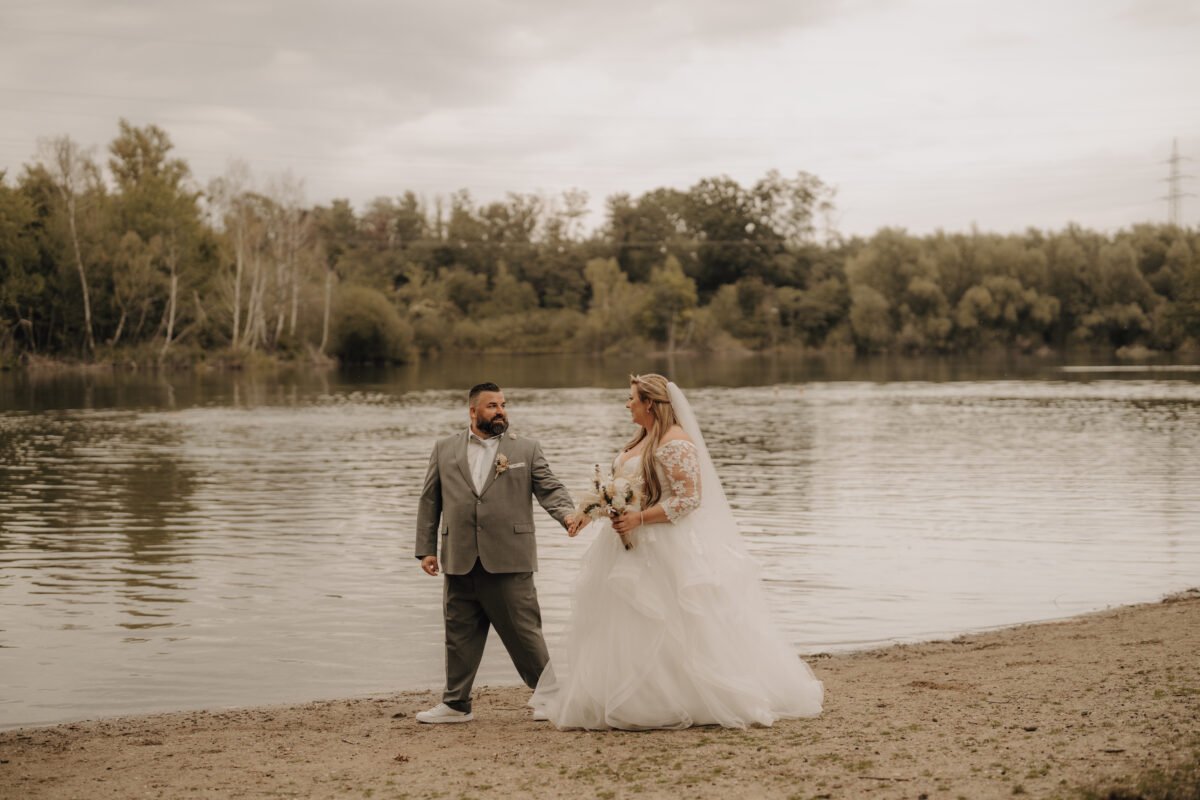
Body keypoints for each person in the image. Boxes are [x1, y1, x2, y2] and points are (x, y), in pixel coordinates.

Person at [530, 374, 824, 730]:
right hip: (627, 543)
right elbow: (620, 491)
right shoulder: (638, 441)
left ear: (650, 403)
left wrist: (639, 518)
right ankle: (628, 697)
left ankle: (681, 698)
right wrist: (590, 512)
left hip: (663, 544)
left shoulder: (675, 442)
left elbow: (689, 498)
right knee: (623, 622)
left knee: (669, 620)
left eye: (632, 399)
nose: (627, 404)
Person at [414, 382, 576, 723]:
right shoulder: (445, 448)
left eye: (503, 404)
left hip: (509, 555)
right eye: (492, 406)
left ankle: (551, 696)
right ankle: (456, 704)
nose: (500, 411)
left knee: (524, 632)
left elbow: (550, 488)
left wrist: (567, 514)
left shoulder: (526, 449)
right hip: (458, 557)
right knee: (458, 633)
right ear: (473, 412)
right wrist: (426, 548)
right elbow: (431, 499)